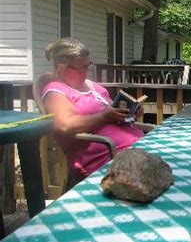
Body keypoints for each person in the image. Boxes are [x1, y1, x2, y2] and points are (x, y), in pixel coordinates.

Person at [42, 37, 144, 183]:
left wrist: (130, 113)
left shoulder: (93, 86)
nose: (86, 72)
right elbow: (65, 125)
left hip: (132, 148)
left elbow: (112, 117)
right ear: (61, 67)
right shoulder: (55, 91)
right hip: (109, 158)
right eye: (81, 68)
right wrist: (104, 116)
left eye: (88, 66)